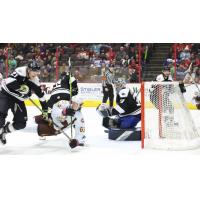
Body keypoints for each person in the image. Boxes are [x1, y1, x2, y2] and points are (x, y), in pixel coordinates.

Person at [0, 60, 48, 145]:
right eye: (34, 72)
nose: (36, 74)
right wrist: (20, 88)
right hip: (6, 94)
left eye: (37, 72)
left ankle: (4, 131)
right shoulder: (20, 71)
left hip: (18, 99)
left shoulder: (35, 80)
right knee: (1, 116)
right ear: (29, 70)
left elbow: (41, 96)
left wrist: (45, 109)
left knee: (21, 123)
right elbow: (8, 82)